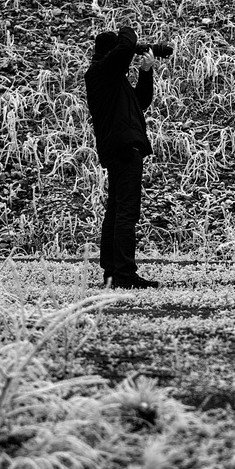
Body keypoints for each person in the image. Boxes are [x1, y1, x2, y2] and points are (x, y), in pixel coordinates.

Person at [85, 26, 162, 289]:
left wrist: (146, 70)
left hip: (121, 148)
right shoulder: (101, 72)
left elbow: (140, 101)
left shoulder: (111, 80)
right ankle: (124, 274)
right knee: (127, 211)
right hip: (123, 148)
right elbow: (126, 44)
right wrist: (128, 32)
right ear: (112, 52)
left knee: (117, 211)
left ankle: (112, 272)